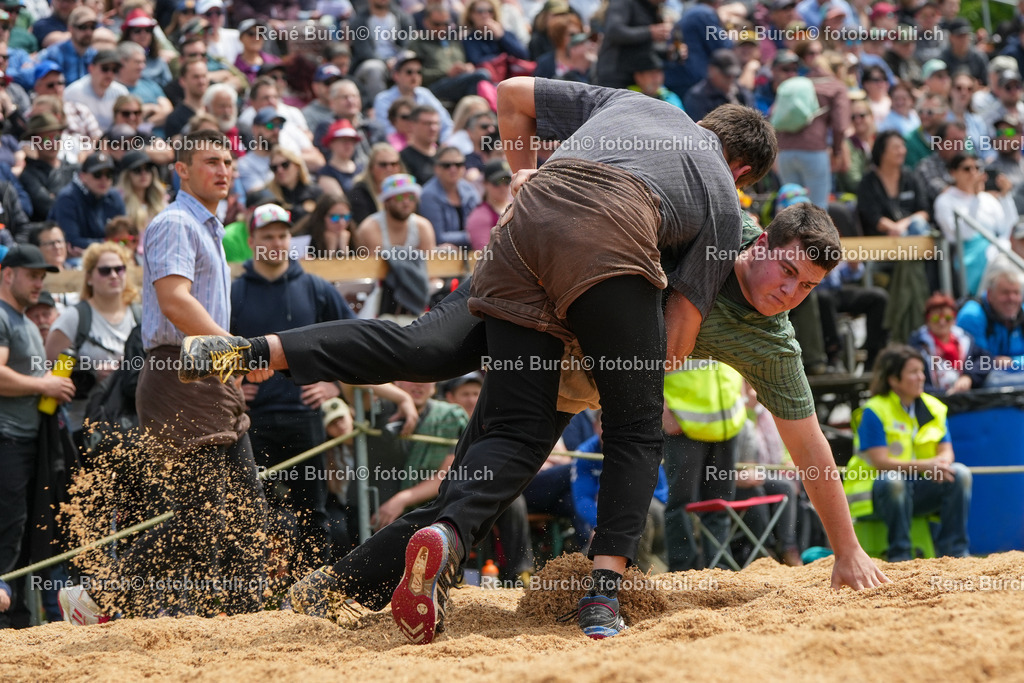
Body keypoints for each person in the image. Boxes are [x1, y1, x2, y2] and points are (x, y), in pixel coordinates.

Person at [58, 130, 268, 624]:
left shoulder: (208, 227)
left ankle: (247, 620)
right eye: (210, 161)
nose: (223, 170)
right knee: (203, 519)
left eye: (228, 162)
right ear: (182, 169)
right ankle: (97, 600)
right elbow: (175, 300)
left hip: (202, 370)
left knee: (245, 510)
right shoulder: (176, 222)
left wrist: (227, 363)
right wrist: (235, 352)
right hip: (180, 372)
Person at [232, 203, 356, 582]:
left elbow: (352, 340)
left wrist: (334, 384)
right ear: (252, 242)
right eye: (267, 235)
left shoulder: (316, 288)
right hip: (253, 422)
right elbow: (210, 347)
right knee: (252, 514)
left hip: (306, 418)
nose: (276, 242)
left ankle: (314, 591)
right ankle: (256, 600)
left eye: (283, 235)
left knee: (314, 511)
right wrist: (234, 388)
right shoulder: (233, 291)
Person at [0, 245, 73, 629]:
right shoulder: (3, 317)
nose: (38, 283)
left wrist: (52, 386)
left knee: (26, 536)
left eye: (42, 276)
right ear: (7, 274)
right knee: (9, 533)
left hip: (29, 444)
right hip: (7, 441)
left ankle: (17, 619)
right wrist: (45, 385)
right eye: (32, 275)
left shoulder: (24, 322)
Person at [845, 344, 972, 561]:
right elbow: (880, 462)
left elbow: (946, 451)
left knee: (959, 473)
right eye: (913, 372)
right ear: (894, 380)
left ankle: (955, 553)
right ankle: (900, 555)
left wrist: (941, 464)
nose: (921, 377)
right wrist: (926, 466)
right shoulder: (874, 410)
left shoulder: (934, 407)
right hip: (875, 494)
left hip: (915, 490)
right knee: (894, 481)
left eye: (921, 371)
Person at [44, 242, 138, 432]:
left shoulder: (141, 316)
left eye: (119, 269)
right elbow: (48, 372)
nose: (113, 275)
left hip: (132, 427)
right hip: (84, 428)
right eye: (105, 270)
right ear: (89, 277)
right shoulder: (74, 318)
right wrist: (92, 373)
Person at [353, 173, 436, 319]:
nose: (406, 202)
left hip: (417, 294)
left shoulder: (423, 226)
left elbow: (432, 270)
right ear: (386, 201)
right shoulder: (371, 227)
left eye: (410, 197)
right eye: (399, 197)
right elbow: (376, 272)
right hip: (377, 297)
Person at [934, 152, 1017, 296]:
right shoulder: (944, 201)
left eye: (977, 168)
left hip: (997, 254)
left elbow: (1008, 227)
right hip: (966, 258)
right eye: (967, 169)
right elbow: (964, 234)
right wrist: (976, 197)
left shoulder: (988, 199)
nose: (973, 173)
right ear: (953, 173)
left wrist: (1006, 195)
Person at [956, 258, 1024, 387]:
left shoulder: (1022, 311)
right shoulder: (972, 315)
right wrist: (996, 361)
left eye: (1016, 293)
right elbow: (977, 363)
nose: (1011, 299)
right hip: (980, 384)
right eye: (1005, 292)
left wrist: (1013, 361)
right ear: (990, 294)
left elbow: (1005, 362)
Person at [909, 292, 990, 394]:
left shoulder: (965, 340)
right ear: (927, 320)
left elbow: (985, 360)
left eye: (947, 318)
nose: (942, 322)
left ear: (954, 319)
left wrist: (969, 377)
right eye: (936, 318)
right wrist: (944, 393)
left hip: (963, 400)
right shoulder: (917, 346)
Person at [856, 130, 931, 237]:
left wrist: (903, 225)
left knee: (917, 224)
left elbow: (924, 211)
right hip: (882, 239)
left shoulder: (912, 177)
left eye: (902, 147)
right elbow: (871, 216)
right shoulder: (868, 182)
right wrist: (895, 229)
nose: (901, 151)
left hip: (913, 231)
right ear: (882, 151)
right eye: (896, 148)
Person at [48, 152, 126, 253]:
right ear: (83, 176)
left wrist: (110, 244)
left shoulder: (114, 196)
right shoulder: (67, 198)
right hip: (74, 259)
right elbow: (71, 242)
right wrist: (111, 244)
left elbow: (125, 237)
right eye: (97, 174)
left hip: (108, 254)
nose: (104, 179)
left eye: (109, 174)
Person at [418, 146, 481, 248]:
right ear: (437, 169)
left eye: (458, 164)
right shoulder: (428, 195)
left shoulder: (470, 191)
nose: (453, 169)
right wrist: (472, 236)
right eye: (447, 165)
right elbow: (438, 237)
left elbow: (478, 226)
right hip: (443, 257)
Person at [117, 150, 167, 243]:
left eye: (148, 168)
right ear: (126, 175)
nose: (143, 173)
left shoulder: (161, 199)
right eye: (137, 170)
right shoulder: (119, 201)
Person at [265, 146, 322, 227]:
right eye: (274, 168)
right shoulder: (269, 196)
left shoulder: (315, 192)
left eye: (285, 165)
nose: (280, 170)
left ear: (297, 166)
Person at [349, 142, 403, 225]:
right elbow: (362, 225)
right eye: (383, 164)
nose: (389, 168)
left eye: (394, 164)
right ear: (371, 167)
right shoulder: (358, 192)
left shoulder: (405, 189)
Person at [466, 158, 512, 250]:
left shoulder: (517, 205)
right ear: (485, 183)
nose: (503, 187)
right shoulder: (480, 216)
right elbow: (484, 254)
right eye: (497, 182)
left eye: (506, 181)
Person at [297, 192, 353, 259]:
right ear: (321, 217)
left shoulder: (351, 237)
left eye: (346, 217)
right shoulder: (305, 240)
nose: (342, 222)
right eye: (335, 218)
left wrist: (344, 249)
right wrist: (331, 251)